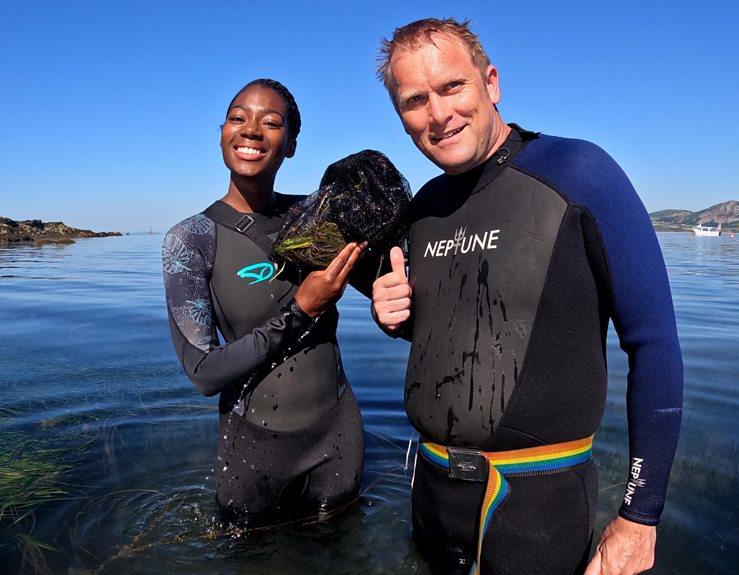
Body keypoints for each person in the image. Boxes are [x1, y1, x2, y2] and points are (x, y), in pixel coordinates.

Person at [371, 19, 684, 574]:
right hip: (432, 497)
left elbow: (654, 343)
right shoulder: (422, 210)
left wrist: (640, 517)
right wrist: (394, 315)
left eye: (451, 87)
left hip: (538, 508)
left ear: (490, 82)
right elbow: (461, 331)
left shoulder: (580, 174)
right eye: (414, 101)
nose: (438, 115)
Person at [163, 79, 367, 519]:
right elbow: (203, 372)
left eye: (270, 123)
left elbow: (389, 282)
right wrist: (300, 313)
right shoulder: (192, 239)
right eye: (238, 118)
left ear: (290, 144)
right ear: (222, 133)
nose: (251, 130)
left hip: (337, 434)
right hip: (254, 443)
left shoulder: (315, 220)